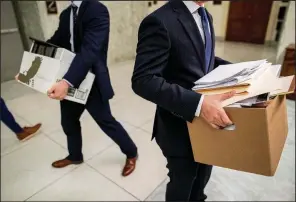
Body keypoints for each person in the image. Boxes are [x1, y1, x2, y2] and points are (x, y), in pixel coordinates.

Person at [132, 0, 235, 201]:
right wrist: (199, 104)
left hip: (208, 123)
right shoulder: (159, 21)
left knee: (203, 175)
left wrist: (239, 69)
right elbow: (143, 80)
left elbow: (204, 60)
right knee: (183, 181)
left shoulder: (206, 16)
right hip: (178, 124)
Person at [45, 0, 138, 176]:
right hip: (70, 76)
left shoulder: (97, 10)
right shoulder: (66, 14)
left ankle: (131, 153)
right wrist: (30, 65)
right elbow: (57, 41)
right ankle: (75, 156)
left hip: (91, 80)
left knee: (106, 121)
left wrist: (66, 82)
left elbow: (89, 50)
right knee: (68, 121)